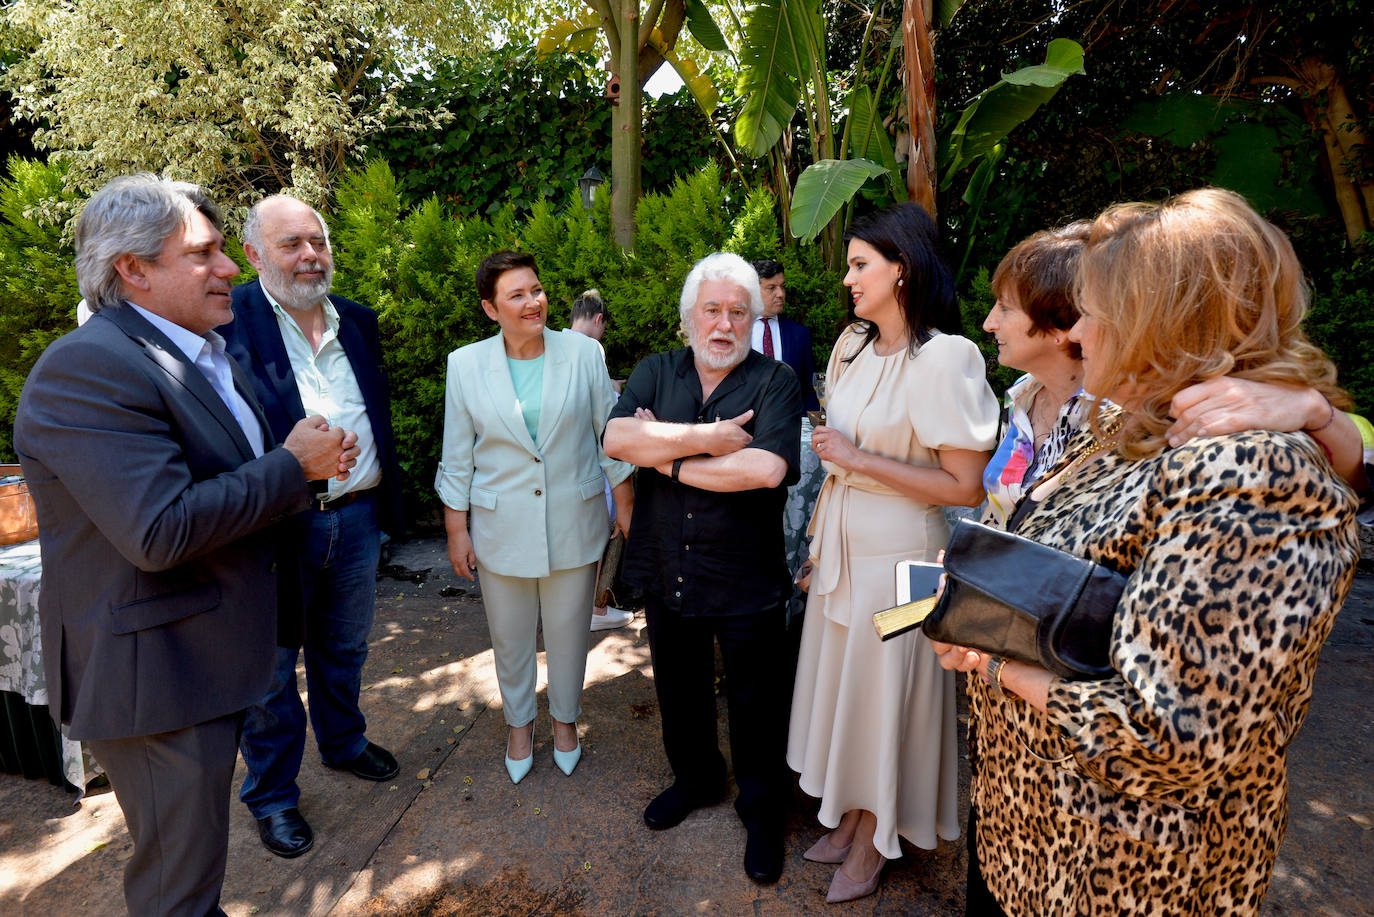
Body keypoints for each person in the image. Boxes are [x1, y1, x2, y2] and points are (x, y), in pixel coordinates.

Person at [932, 188, 1360, 917]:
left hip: (1117, 871)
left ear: (1157, 321)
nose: (1078, 334)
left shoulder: (1248, 474)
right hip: (1035, 835)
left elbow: (1166, 737)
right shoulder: (1136, 424)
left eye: (1092, 313)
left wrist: (997, 663)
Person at [13, 174, 356, 916]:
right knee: (178, 887)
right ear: (131, 269)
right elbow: (159, 528)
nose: (231, 266)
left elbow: (239, 477)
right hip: (157, 678)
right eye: (203, 253)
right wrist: (292, 465)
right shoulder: (87, 367)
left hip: (209, 655)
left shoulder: (204, 349)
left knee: (194, 873)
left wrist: (308, 466)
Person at [788, 202, 998, 902]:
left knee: (891, 695)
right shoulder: (851, 345)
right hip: (844, 544)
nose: (848, 278)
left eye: (859, 265)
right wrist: (821, 539)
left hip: (908, 558)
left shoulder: (946, 357)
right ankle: (850, 817)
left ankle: (878, 838)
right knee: (847, 693)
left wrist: (858, 458)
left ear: (901, 268)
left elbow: (964, 485)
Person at [603, 252, 802, 885]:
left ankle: (763, 808)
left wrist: (666, 450)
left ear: (754, 317)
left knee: (757, 701)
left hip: (746, 575)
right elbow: (615, 440)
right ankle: (696, 779)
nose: (723, 324)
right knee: (679, 689)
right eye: (711, 310)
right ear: (690, 316)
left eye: (737, 312)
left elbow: (764, 471)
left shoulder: (776, 382)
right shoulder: (656, 370)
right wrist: (708, 438)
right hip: (668, 568)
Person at [221, 194, 405, 859]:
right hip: (274, 529)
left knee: (346, 646)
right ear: (254, 253)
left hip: (356, 517)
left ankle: (344, 741)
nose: (309, 255)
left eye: (317, 241)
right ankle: (272, 795)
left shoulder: (356, 320)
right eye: (291, 243)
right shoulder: (227, 322)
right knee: (270, 672)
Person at [437, 251, 633, 784]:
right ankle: (519, 725)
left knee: (570, 634)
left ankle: (565, 721)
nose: (533, 302)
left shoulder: (584, 355)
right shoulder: (466, 364)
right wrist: (457, 529)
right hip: (501, 527)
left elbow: (609, 438)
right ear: (490, 308)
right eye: (517, 295)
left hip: (575, 516)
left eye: (537, 289)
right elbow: (458, 456)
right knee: (511, 636)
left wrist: (628, 505)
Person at [563, 288, 634, 631]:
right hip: (593, 460)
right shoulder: (592, 348)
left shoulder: (555, 344)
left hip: (561, 463)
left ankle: (568, 609)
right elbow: (603, 416)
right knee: (601, 533)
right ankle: (595, 610)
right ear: (599, 319)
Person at [751, 258, 818, 413]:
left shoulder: (799, 334)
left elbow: (809, 390)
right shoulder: (736, 331)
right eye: (771, 288)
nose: (780, 294)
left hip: (789, 425)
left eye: (782, 287)